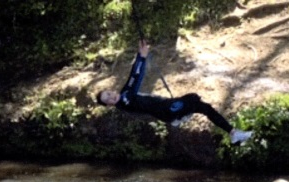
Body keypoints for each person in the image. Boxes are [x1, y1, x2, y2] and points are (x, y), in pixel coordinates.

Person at [96, 40, 253, 144]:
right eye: (108, 99)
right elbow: (136, 78)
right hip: (167, 110)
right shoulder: (125, 101)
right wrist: (142, 58)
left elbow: (132, 75)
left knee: (204, 107)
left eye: (109, 93)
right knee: (193, 99)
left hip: (166, 106)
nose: (111, 96)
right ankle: (180, 117)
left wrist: (140, 55)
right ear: (110, 105)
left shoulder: (124, 94)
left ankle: (233, 133)